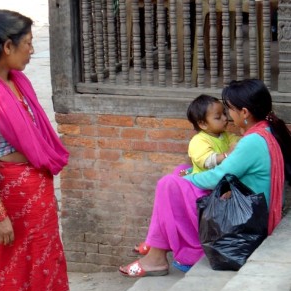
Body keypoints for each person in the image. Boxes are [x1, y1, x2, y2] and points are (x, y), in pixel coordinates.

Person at [119, 79, 291, 278]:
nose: (228, 116)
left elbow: (216, 179)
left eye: (230, 110)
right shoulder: (268, 129)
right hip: (254, 206)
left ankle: (157, 254)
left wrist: (190, 178)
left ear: (244, 112)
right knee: (180, 171)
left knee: (169, 183)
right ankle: (156, 246)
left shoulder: (252, 141)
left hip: (247, 219)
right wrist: (188, 175)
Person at [0, 10, 70, 291]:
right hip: (9, 196)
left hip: (37, 188)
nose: (32, 50)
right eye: (28, 42)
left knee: (43, 257)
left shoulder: (19, 84)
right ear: (7, 47)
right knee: (9, 265)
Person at [133, 94, 239, 260]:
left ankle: (155, 241)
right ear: (203, 124)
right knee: (168, 186)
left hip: (217, 184)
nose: (226, 119)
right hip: (202, 185)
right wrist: (227, 155)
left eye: (225, 114)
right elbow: (206, 161)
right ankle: (160, 242)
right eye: (218, 117)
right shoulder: (198, 141)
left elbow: (237, 143)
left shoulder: (225, 136)